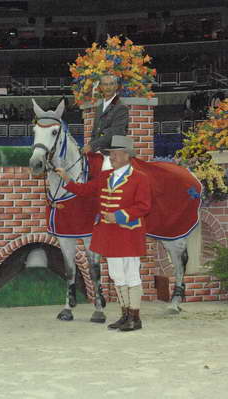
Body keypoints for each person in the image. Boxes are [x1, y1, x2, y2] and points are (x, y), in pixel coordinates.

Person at [56, 136, 151, 332]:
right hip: (108, 234)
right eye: (111, 154)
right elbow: (84, 190)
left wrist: (120, 216)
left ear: (127, 156)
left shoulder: (140, 178)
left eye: (116, 154)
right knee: (117, 276)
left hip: (128, 233)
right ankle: (125, 315)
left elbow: (144, 206)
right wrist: (67, 180)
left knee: (132, 275)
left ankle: (135, 317)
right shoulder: (105, 176)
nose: (112, 157)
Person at [82, 74, 129, 164]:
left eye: (111, 84)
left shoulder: (121, 107)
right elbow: (94, 133)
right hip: (98, 152)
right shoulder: (99, 107)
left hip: (112, 154)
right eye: (105, 84)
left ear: (116, 86)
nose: (108, 87)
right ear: (101, 87)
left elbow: (115, 132)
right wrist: (90, 148)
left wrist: (92, 146)